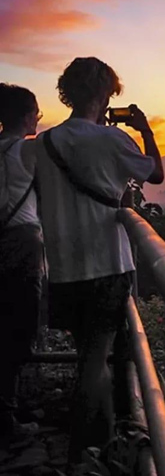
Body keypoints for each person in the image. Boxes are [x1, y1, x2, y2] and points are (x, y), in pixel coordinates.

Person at [34, 57, 164, 462]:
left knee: (90, 356)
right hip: (106, 264)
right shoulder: (112, 140)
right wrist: (144, 130)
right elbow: (155, 174)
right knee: (97, 360)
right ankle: (81, 452)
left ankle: (103, 441)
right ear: (105, 93)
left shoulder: (43, 143)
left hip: (63, 269)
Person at [0, 83, 45, 447]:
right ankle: (7, 417)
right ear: (27, 116)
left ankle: (8, 410)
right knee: (18, 325)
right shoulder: (31, 151)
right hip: (23, 243)